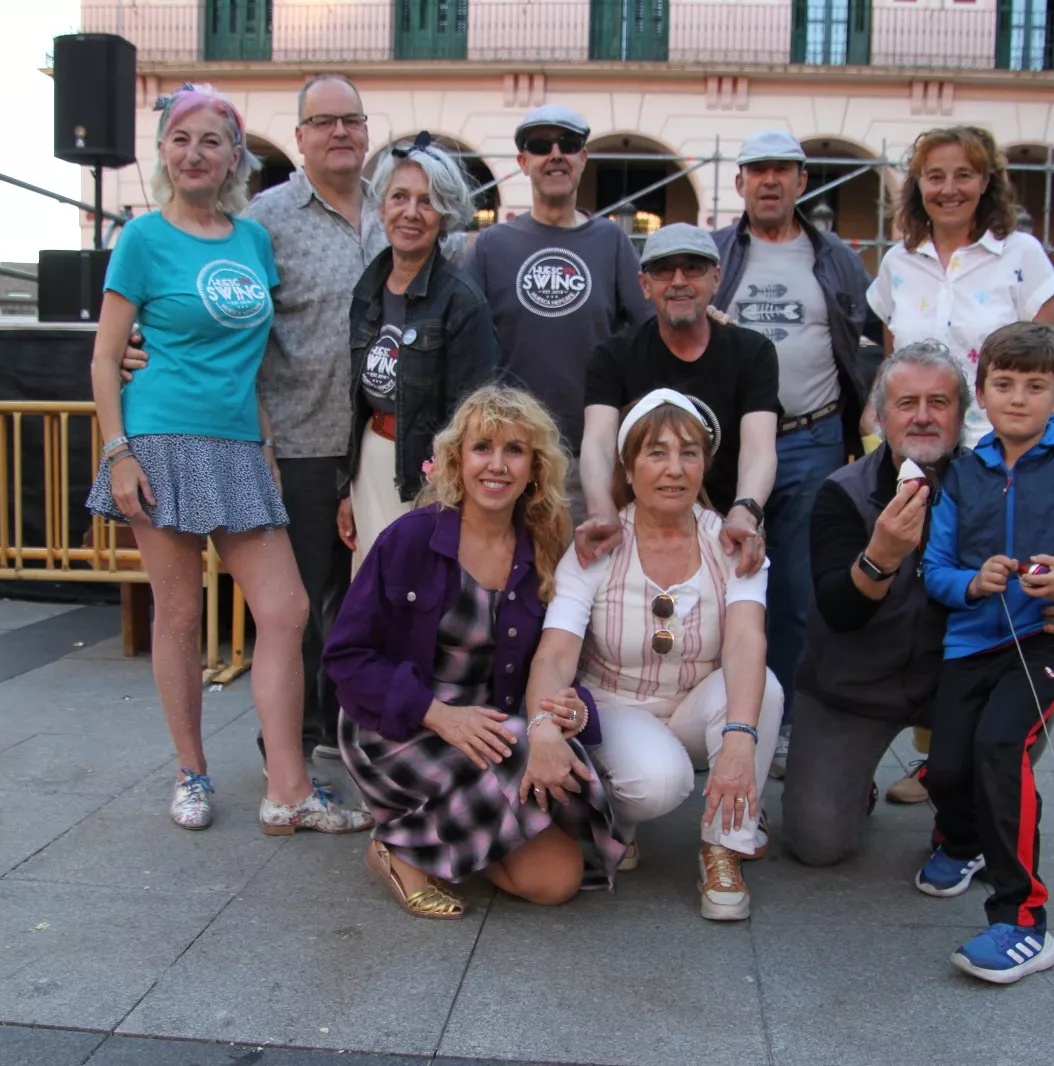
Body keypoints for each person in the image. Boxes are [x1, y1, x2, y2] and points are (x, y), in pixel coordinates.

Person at [86, 82, 371, 837]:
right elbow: (106, 358)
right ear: (163, 154)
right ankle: (191, 771)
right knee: (179, 617)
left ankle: (287, 788)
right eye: (181, 140)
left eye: (211, 140)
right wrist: (119, 455)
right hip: (162, 441)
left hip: (242, 447)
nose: (195, 153)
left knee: (286, 610)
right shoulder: (143, 240)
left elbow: (257, 359)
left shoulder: (251, 240)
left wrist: (268, 445)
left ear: (235, 156)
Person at [783, 340, 1054, 868]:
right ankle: (855, 786)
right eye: (905, 403)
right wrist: (881, 556)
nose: (922, 417)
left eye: (939, 402)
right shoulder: (841, 492)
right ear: (879, 414)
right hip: (853, 687)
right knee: (817, 844)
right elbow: (840, 612)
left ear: (964, 411)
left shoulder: (999, 481)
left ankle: (967, 809)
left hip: (960, 678)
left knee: (1025, 696)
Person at [325, 385, 625, 919]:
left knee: (556, 879)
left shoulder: (547, 548)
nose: (497, 465)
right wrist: (438, 714)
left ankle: (420, 841)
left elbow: (555, 661)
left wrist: (571, 712)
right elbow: (346, 657)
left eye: (515, 450)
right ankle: (403, 848)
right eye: (482, 447)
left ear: (535, 467)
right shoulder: (410, 539)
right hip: (398, 725)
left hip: (488, 732)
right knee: (526, 748)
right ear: (456, 460)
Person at [919, 322, 1054, 984]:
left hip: (1048, 637)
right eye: (1004, 384)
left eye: (1035, 386)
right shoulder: (962, 474)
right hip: (973, 637)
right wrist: (972, 583)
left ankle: (1022, 921)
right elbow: (936, 571)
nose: (1018, 398)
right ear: (982, 393)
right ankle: (963, 841)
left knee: (999, 746)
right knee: (946, 765)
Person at [528, 390, 783, 922]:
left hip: (691, 704)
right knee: (659, 782)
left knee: (767, 691)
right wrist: (541, 728)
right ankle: (616, 818)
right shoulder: (597, 546)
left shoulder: (732, 543)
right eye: (656, 453)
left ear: (706, 463)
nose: (674, 469)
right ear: (628, 465)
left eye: (689, 452)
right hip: (615, 705)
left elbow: (744, 641)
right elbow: (554, 655)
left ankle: (724, 847)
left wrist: (740, 739)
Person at [711, 130, 879, 780]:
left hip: (812, 438)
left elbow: (874, 335)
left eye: (782, 171)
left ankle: (789, 727)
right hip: (729, 444)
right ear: (741, 184)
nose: (770, 181)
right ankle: (723, 717)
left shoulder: (836, 259)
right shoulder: (719, 253)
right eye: (758, 171)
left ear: (802, 182)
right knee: (728, 581)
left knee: (800, 591)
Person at [464, 105, 654, 524]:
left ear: (583, 158)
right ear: (523, 162)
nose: (555, 154)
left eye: (568, 145)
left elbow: (650, 332)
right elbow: (461, 340)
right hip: (509, 456)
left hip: (590, 460)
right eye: (540, 146)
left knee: (582, 584)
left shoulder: (613, 242)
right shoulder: (491, 246)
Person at [577, 224, 779, 584]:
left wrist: (746, 511)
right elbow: (597, 440)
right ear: (644, 284)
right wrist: (601, 509)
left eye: (694, 268)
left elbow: (759, 447)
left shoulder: (753, 352)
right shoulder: (613, 355)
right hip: (639, 530)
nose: (679, 280)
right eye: (663, 269)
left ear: (716, 278)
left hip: (727, 527)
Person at [339, 133, 498, 567]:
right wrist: (346, 489)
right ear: (382, 206)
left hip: (428, 479)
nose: (411, 212)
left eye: (426, 202)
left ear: (445, 214)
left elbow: (474, 419)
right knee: (371, 593)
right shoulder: (367, 289)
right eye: (399, 197)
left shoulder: (462, 301)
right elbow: (355, 402)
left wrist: (451, 496)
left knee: (411, 594)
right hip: (371, 461)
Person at [868, 125, 1054, 451]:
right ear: (918, 185)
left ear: (985, 182)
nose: (949, 189)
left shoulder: (1023, 255)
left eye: (963, 175)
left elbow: (1048, 366)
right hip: (914, 453)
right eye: (935, 177)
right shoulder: (896, 262)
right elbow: (894, 363)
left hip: (996, 454)